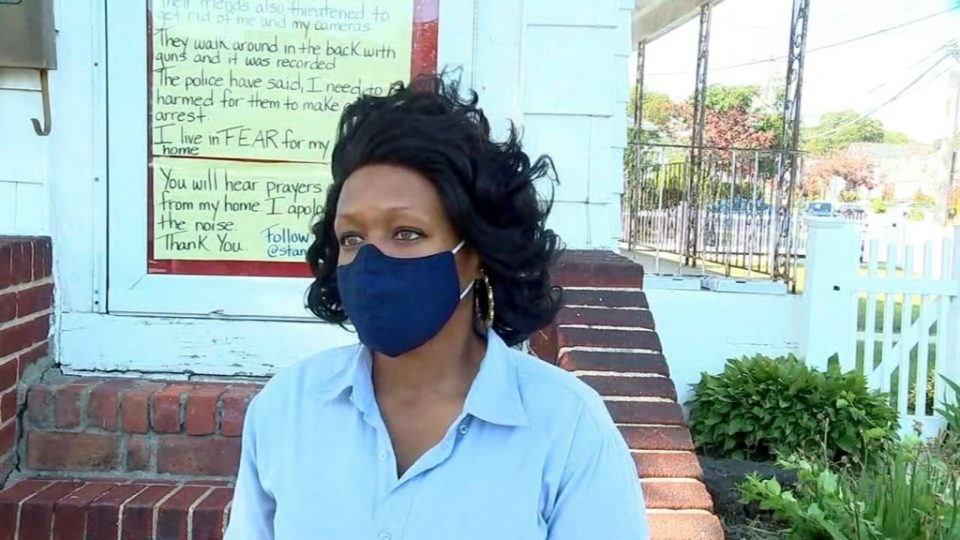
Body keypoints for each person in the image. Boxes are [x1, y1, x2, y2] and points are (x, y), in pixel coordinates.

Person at [225, 75, 649, 539]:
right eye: (352, 238)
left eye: (406, 233)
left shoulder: (566, 427)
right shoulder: (287, 409)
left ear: (477, 253)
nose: (371, 259)